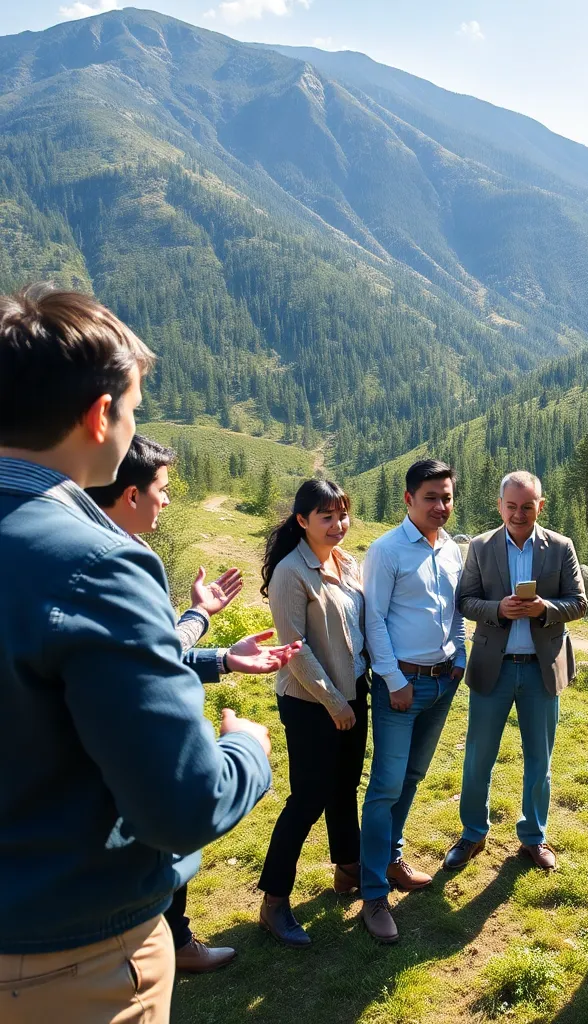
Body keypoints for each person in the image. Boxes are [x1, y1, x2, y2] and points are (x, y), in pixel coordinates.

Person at [0, 285, 273, 1023]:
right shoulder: (95, 563)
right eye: (134, 409)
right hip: (68, 959)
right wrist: (248, 751)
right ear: (99, 416)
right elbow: (182, 803)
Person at [87, 434, 300, 974]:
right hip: (137, 761)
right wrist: (246, 746)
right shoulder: (112, 565)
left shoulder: (110, 550)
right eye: (162, 490)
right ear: (131, 494)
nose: (166, 501)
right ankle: (165, 945)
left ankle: (176, 939)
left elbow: (155, 653)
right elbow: (148, 668)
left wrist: (216, 646)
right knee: (165, 828)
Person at [443, 471, 587, 874]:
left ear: (541, 505)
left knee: (539, 760)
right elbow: (466, 601)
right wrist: (497, 610)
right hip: (495, 668)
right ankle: (473, 833)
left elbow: (578, 603)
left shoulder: (560, 547)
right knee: (478, 757)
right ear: (500, 505)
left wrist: (543, 608)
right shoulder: (482, 546)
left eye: (527, 506)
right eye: (512, 506)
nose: (519, 514)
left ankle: (534, 837)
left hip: (541, 672)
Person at [256, 480, 370, 948]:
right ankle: (274, 901)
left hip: (353, 692)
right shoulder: (290, 573)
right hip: (310, 702)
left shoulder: (345, 563)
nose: (338, 525)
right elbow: (293, 652)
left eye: (342, 515)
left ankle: (349, 868)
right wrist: (333, 702)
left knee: (344, 787)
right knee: (307, 798)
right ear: (302, 521)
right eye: (327, 517)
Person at [359, 459, 466, 943]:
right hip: (401, 687)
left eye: (447, 497)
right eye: (431, 498)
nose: (441, 507)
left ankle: (391, 856)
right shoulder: (386, 551)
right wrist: (393, 677)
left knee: (414, 776)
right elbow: (374, 620)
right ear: (408, 500)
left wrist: (459, 657)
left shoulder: (451, 550)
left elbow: (456, 612)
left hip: (442, 683)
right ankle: (374, 892)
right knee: (385, 785)